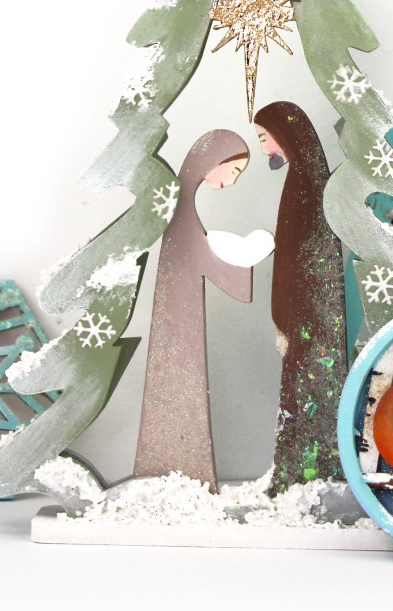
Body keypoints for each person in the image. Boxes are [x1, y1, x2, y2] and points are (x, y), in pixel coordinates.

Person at [134, 129, 264, 492]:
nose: (231, 182)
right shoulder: (183, 218)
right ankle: (172, 466)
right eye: (233, 171)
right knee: (177, 379)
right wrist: (247, 256)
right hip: (178, 318)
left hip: (183, 310)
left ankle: (179, 466)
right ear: (211, 162)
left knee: (181, 379)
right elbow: (205, 262)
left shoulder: (185, 215)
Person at [254, 102, 348, 494]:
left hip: (305, 316)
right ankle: (315, 468)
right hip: (319, 315)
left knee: (306, 389)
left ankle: (304, 472)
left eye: (265, 138)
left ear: (286, 134)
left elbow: (289, 261)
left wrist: (281, 320)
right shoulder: (313, 178)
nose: (264, 149)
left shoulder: (301, 184)